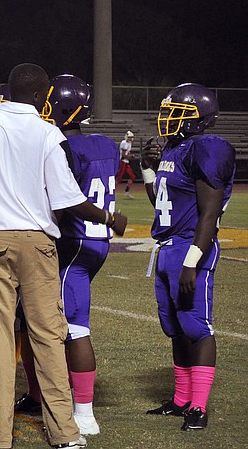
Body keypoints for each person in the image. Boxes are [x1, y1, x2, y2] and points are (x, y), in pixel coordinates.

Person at [0, 63, 127, 449]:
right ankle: (65, 434)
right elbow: (67, 198)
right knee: (49, 338)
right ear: (40, 95)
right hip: (39, 244)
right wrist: (107, 217)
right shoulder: (48, 133)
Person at [13, 74, 120, 436]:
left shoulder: (60, 145)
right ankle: (35, 393)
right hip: (96, 241)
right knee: (29, 319)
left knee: (73, 327)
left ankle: (84, 412)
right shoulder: (104, 143)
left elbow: (62, 202)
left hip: (71, 244)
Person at [140, 83, 235, 432]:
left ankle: (198, 406)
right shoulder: (174, 148)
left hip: (189, 246)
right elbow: (164, 208)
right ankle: (180, 400)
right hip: (167, 246)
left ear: (199, 118)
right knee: (175, 328)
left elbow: (208, 215)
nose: (168, 118)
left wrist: (192, 260)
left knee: (196, 326)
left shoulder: (206, 149)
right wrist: (148, 170)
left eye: (177, 112)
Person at [117, 131, 136, 198]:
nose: (132, 139)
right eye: (130, 137)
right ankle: (111, 191)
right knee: (119, 179)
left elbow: (127, 154)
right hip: (123, 162)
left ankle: (126, 192)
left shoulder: (129, 143)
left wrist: (131, 156)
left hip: (126, 162)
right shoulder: (124, 143)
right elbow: (123, 155)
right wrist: (131, 157)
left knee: (132, 176)